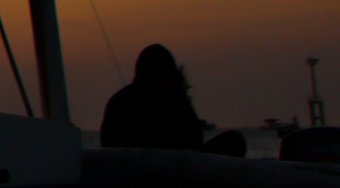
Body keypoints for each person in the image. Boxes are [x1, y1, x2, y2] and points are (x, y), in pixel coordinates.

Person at [99, 43, 240, 152]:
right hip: (170, 175)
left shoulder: (119, 100)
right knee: (235, 140)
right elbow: (194, 140)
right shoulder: (173, 99)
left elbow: (106, 143)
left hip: (129, 175)